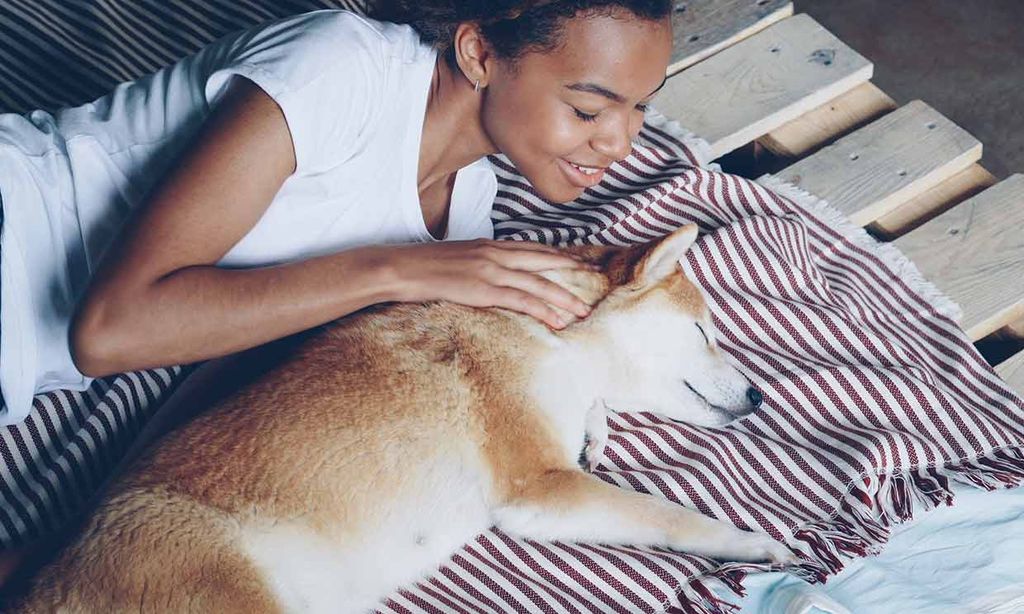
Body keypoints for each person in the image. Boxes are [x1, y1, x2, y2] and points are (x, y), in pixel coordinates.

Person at [0, 0, 673, 566]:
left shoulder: (466, 212)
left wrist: (91, 541)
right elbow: (113, 330)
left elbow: (242, 370)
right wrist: (392, 266)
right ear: (478, 54)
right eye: (589, 110)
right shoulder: (344, 66)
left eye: (641, 108)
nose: (620, 142)